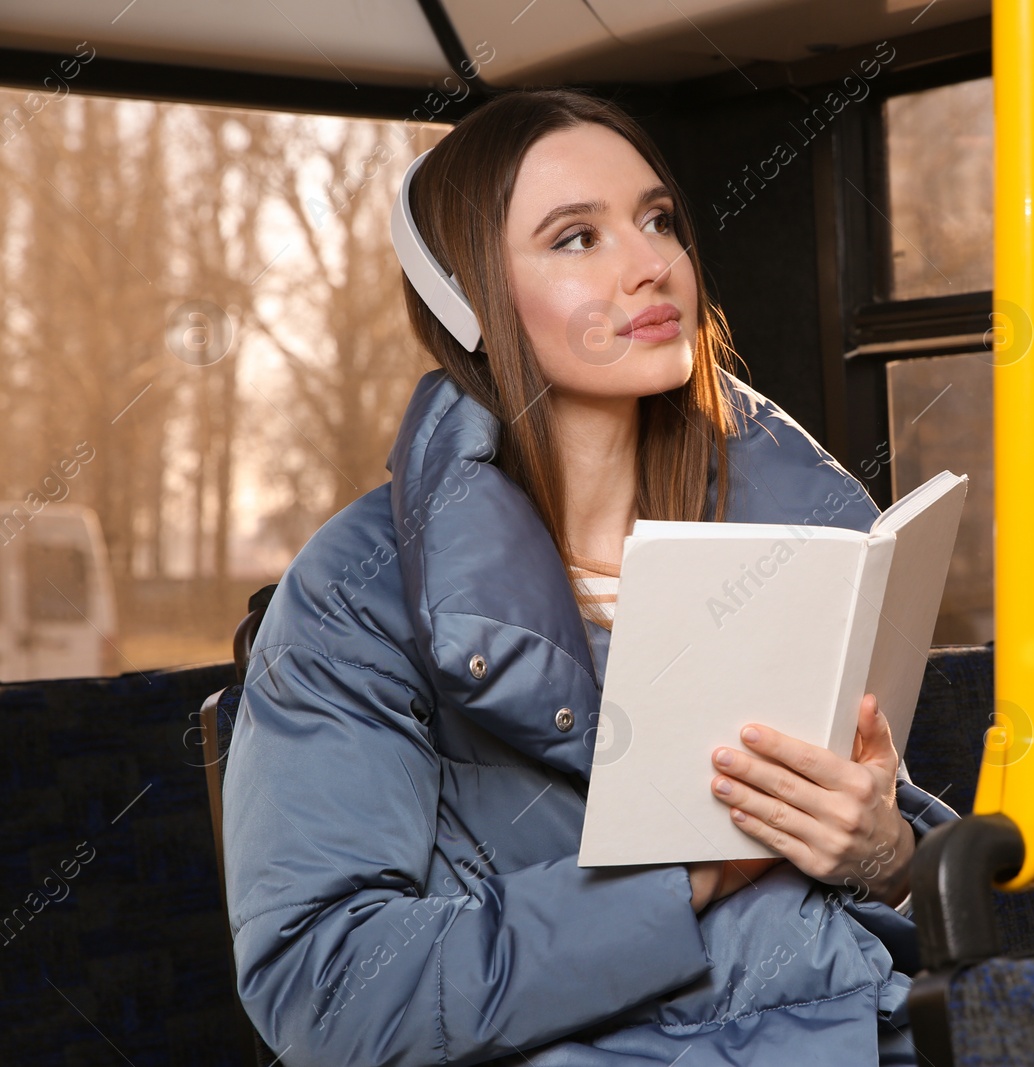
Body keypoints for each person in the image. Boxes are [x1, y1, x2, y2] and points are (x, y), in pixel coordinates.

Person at [221, 87, 959, 1066]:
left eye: (658, 220)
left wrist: (892, 856)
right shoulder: (357, 593)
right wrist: (679, 879)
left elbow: (902, 909)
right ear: (466, 299)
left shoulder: (804, 547)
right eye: (576, 238)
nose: (651, 263)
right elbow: (332, 991)